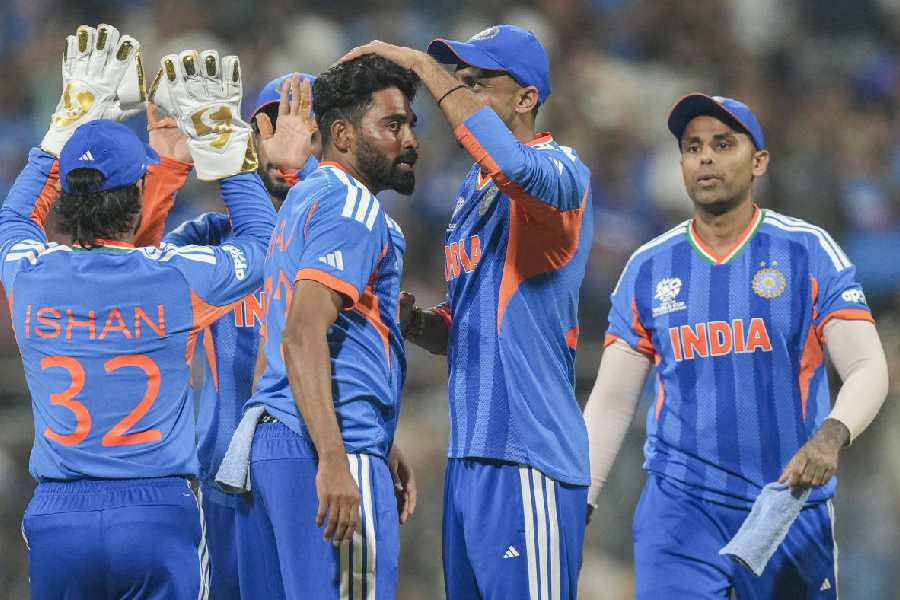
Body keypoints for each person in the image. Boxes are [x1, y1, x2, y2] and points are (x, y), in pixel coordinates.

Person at [2, 25, 275, 600]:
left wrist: (60, 131)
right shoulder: (177, 276)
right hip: (158, 511)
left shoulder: (27, 275)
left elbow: (15, 220)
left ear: (69, 206)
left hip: (59, 516)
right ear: (134, 201)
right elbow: (263, 242)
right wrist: (224, 149)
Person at [583, 93, 890, 599]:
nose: (705, 156)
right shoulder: (647, 267)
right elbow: (612, 402)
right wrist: (582, 501)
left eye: (723, 144)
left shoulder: (808, 251)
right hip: (680, 510)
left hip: (788, 503)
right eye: (693, 146)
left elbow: (867, 366)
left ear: (759, 161)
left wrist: (831, 436)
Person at [340, 24, 594, 600]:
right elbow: (474, 322)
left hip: (529, 456)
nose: (460, 92)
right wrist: (422, 325)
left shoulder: (560, 171)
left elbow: (518, 169)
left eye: (478, 83)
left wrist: (420, 66)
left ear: (526, 98)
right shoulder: (474, 189)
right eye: (460, 81)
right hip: (471, 455)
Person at [143, 71, 417, 599]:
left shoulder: (344, 220)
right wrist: (169, 167)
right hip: (219, 475)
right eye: (265, 125)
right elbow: (123, 268)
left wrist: (377, 435)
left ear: (324, 137)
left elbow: (347, 351)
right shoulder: (213, 242)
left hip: (303, 454)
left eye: (299, 124)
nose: (278, 136)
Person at [233, 54, 418, 599]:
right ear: (340, 133)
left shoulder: (302, 202)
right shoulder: (353, 205)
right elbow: (301, 333)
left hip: (271, 443)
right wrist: (340, 456)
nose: (410, 140)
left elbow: (278, 348)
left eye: (410, 125)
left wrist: (379, 436)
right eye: (392, 125)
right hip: (325, 452)